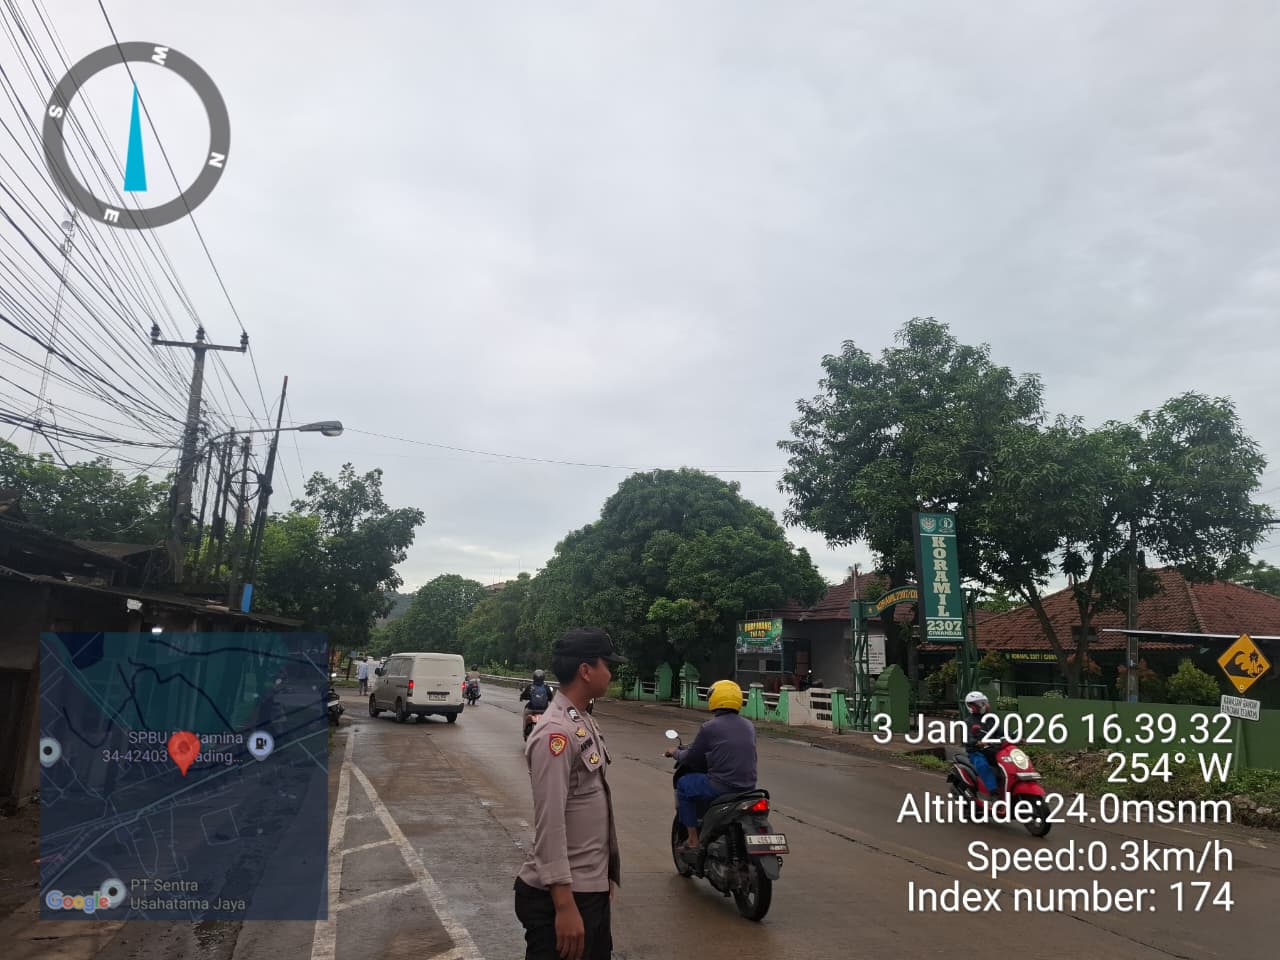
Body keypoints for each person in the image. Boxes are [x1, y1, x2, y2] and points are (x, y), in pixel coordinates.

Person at [514, 628, 625, 960]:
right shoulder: (555, 733)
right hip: (562, 896)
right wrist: (564, 905)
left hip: (588, 887)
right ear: (586, 670)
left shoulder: (583, 719)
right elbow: (551, 823)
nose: (611, 673)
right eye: (607, 665)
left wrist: (603, 878)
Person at [663, 679, 757, 855]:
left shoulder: (710, 727)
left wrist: (675, 752)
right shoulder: (749, 725)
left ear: (714, 699)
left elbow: (691, 756)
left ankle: (692, 840)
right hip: (749, 788)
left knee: (683, 784)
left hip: (722, 786)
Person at [964, 690, 1003, 793]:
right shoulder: (968, 722)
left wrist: (1017, 737)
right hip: (976, 751)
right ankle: (992, 790)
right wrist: (977, 742)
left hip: (992, 749)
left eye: (984, 702)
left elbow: (1001, 731)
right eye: (980, 703)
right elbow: (968, 738)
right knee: (982, 764)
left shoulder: (991, 719)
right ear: (971, 706)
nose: (984, 705)